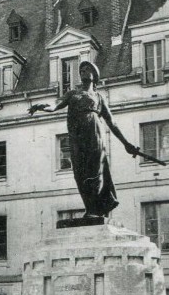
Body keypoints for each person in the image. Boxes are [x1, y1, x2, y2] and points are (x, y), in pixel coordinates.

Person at [29, 61, 140, 218]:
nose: (83, 71)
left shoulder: (98, 97)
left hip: (95, 136)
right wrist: (42, 106)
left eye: (87, 69)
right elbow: (55, 104)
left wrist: (126, 143)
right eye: (81, 70)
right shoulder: (73, 94)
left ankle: (96, 210)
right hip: (77, 137)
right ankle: (90, 207)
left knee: (96, 171)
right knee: (79, 172)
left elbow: (112, 122)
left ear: (94, 76)